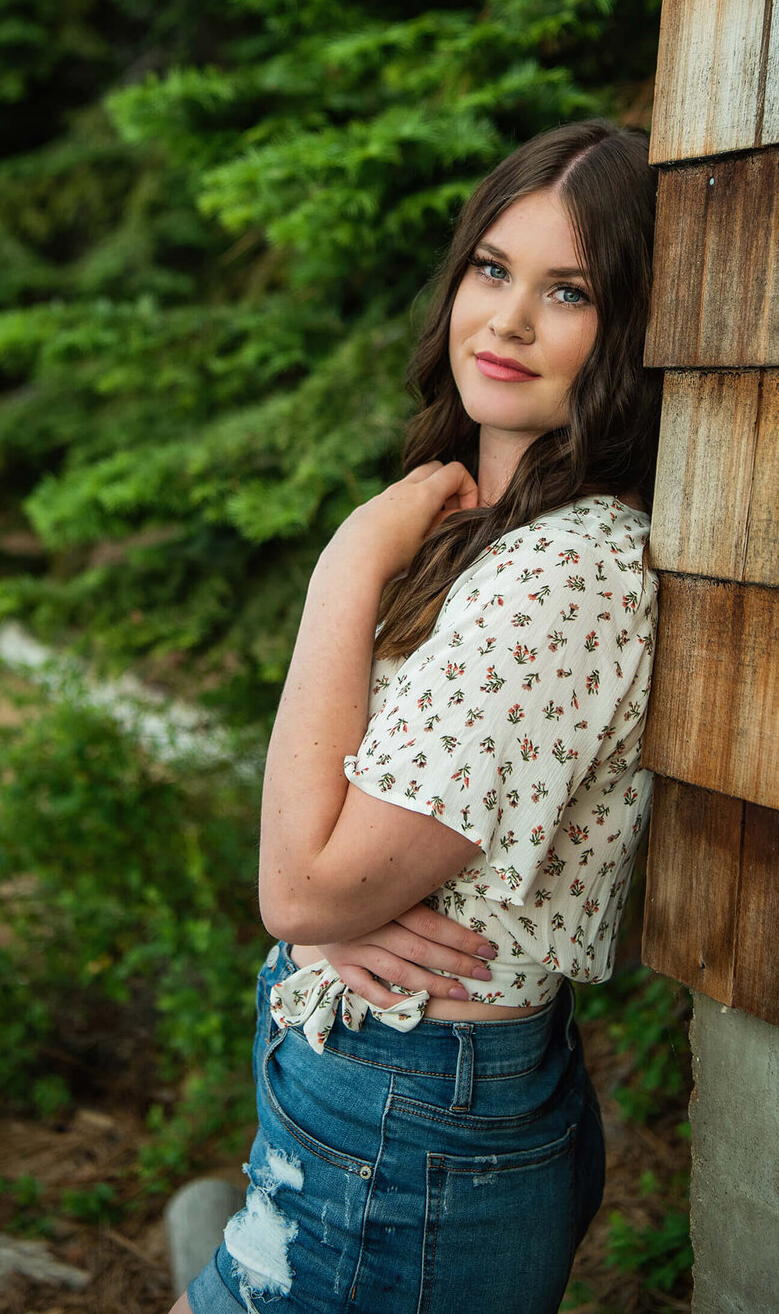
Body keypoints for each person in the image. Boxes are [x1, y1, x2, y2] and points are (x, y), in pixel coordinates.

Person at [172, 119, 660, 1314]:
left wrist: (344, 566)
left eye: (570, 292)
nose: (506, 320)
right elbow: (325, 864)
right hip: (367, 1075)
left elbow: (302, 882)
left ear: (635, 331)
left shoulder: (566, 571)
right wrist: (328, 916)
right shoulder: (474, 534)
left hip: (410, 1108)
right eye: (492, 269)